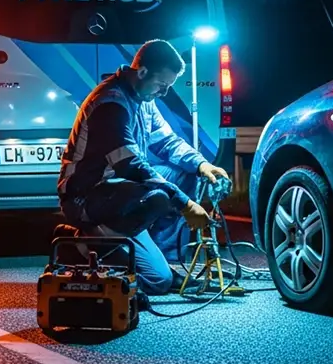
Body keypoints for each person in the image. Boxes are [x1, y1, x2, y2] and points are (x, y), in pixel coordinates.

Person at [56, 39, 231, 295]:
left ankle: (166, 262)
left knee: (187, 174)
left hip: (121, 193)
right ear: (142, 72)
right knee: (158, 204)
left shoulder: (143, 100)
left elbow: (168, 142)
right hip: (86, 198)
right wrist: (185, 203)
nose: (164, 93)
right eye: (162, 85)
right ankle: (81, 243)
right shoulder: (110, 104)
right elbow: (130, 165)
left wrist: (202, 164)